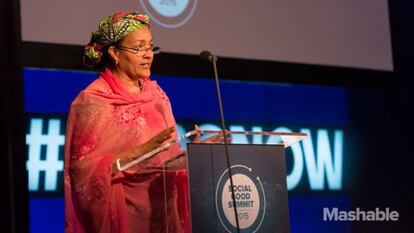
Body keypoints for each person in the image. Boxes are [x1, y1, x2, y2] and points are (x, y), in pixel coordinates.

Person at [64, 12, 192, 233]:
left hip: (163, 212)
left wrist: (196, 151)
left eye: (151, 47)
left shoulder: (157, 95)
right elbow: (82, 173)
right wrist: (138, 153)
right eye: (138, 48)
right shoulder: (92, 101)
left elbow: (169, 156)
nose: (148, 55)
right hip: (126, 217)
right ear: (114, 53)